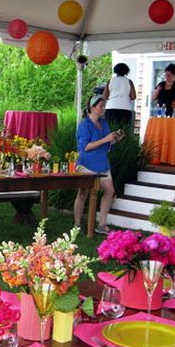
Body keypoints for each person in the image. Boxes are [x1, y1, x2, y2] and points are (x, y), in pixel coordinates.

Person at [73, 95, 125, 235]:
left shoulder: (104, 123)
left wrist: (115, 140)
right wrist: (105, 139)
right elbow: (85, 147)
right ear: (92, 108)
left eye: (104, 106)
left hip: (102, 163)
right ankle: (77, 224)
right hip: (87, 163)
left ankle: (102, 224)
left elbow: (107, 144)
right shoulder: (84, 125)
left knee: (110, 190)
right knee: (83, 193)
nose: (103, 109)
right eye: (101, 106)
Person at [103, 63, 136, 127]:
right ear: (126, 71)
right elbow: (133, 97)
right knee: (123, 130)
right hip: (125, 107)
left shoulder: (110, 81)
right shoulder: (129, 81)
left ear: (115, 71)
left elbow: (105, 96)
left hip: (111, 107)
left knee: (110, 129)